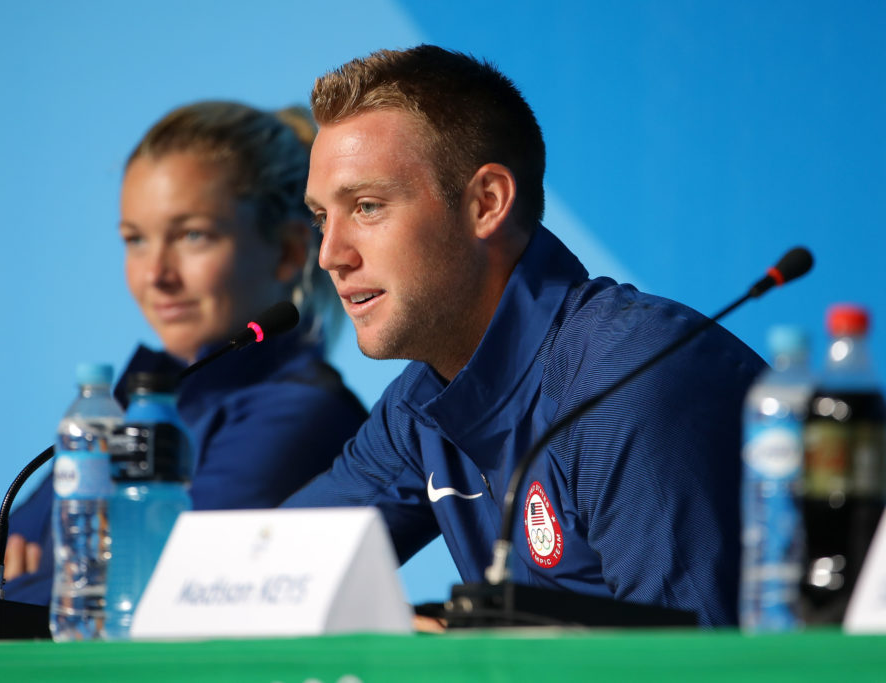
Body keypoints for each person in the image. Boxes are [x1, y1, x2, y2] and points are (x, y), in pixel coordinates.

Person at [284, 45, 765, 627]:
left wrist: (445, 647)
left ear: (486, 203)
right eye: (321, 218)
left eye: (366, 206)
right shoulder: (419, 406)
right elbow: (273, 584)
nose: (332, 255)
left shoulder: (631, 379)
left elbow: (691, 671)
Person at [0, 101, 368, 608]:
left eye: (192, 235)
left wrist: (15, 593)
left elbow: (163, 596)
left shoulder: (299, 413)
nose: (156, 275)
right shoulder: (123, 412)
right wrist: (29, 592)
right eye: (136, 240)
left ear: (288, 252)